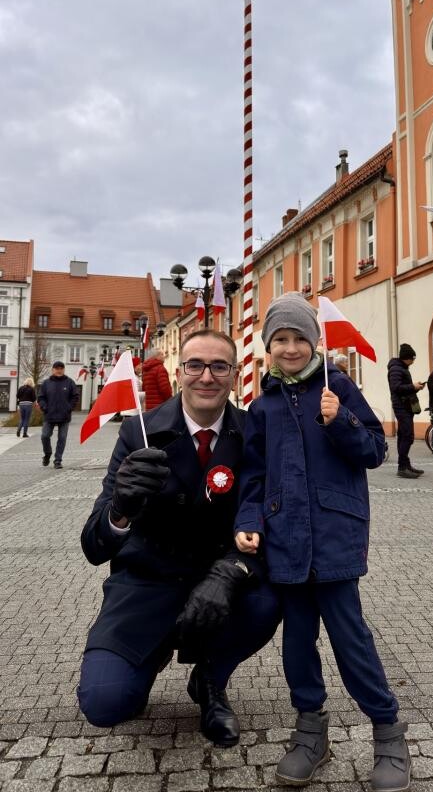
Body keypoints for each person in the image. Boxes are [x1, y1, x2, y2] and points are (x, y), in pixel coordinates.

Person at [235, 293, 411, 792]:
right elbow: (253, 473)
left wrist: (342, 422)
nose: (290, 348)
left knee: (350, 639)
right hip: (284, 536)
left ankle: (387, 731)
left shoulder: (339, 388)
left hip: (335, 535)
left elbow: (374, 451)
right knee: (296, 643)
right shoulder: (262, 404)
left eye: (299, 338)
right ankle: (311, 731)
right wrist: (249, 519)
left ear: (315, 341)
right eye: (280, 339)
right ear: (268, 346)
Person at [78, 329, 280, 747]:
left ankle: (209, 677)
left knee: (270, 599)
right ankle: (151, 653)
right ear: (179, 371)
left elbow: (269, 525)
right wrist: (121, 509)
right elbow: (95, 546)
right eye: (195, 365)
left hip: (218, 583)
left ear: (235, 373)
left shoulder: (252, 434)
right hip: (146, 585)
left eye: (219, 366)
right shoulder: (139, 433)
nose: (207, 376)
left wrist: (231, 571)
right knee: (105, 704)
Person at [387, 343, 425, 478]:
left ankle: (405, 464)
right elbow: (396, 387)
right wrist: (412, 386)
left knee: (404, 435)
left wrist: (415, 387)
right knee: (407, 435)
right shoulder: (396, 369)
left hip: (406, 405)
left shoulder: (402, 368)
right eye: (412, 358)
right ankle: (402, 467)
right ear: (406, 358)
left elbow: (403, 386)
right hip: (401, 406)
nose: (413, 361)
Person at [38, 361, 79, 468]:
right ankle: (47, 454)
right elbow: (41, 397)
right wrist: (44, 407)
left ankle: (58, 460)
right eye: (57, 368)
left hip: (64, 416)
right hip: (49, 415)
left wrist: (69, 408)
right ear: (53, 370)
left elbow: (75, 396)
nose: (59, 370)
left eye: (61, 368)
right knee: (45, 436)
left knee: (62, 438)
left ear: (64, 369)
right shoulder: (46, 383)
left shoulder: (70, 382)